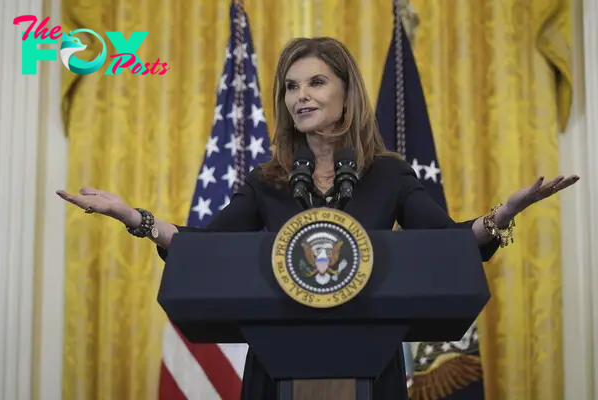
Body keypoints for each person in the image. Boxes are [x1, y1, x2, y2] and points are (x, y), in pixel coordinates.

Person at [57, 37, 579, 399]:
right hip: (277, 361)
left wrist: (501, 215)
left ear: (346, 92)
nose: (301, 95)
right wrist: (137, 218)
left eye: (316, 82)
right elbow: (204, 246)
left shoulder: (388, 176)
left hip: (369, 362)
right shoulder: (268, 181)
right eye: (291, 86)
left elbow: (446, 243)